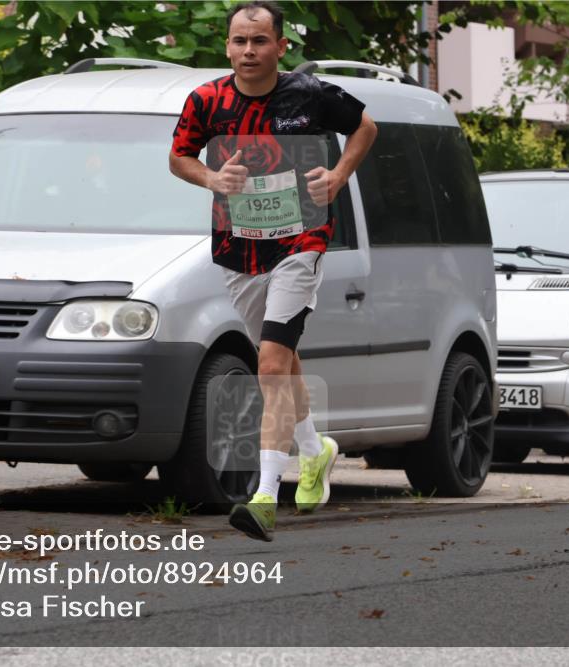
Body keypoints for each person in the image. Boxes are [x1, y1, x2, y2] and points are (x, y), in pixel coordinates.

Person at [169, 0, 377, 541]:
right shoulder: (207, 100)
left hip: (301, 240)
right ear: (228, 46)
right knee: (280, 359)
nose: (248, 52)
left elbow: (365, 128)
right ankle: (316, 449)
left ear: (281, 47)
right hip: (239, 245)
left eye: (259, 41)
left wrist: (336, 176)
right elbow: (179, 157)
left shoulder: (309, 96)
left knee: (268, 363)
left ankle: (264, 495)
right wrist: (212, 180)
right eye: (239, 41)